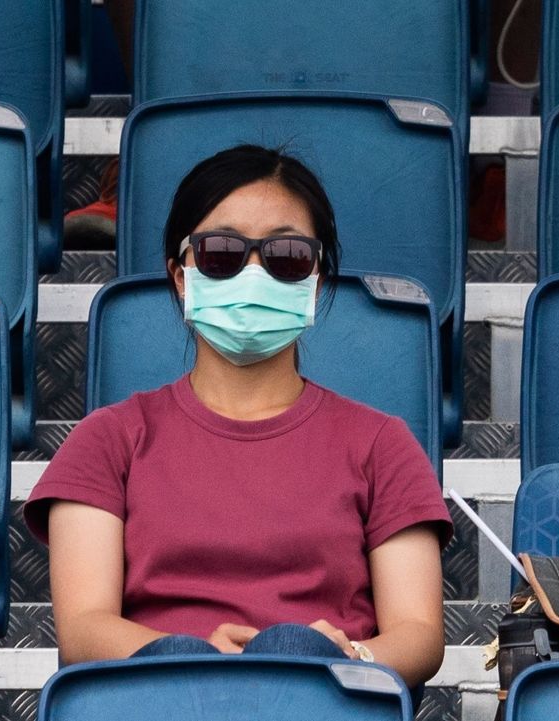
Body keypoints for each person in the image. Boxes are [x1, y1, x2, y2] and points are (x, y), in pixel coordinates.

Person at [24, 145, 453, 694]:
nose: (254, 273)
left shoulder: (380, 443)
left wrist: (347, 656)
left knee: (297, 654)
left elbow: (418, 633)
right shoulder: (107, 439)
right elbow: (84, 630)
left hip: (322, 702)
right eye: (221, 252)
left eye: (287, 255)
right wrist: (199, 660)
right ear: (180, 277)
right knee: (184, 661)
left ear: (316, 280)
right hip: (161, 701)